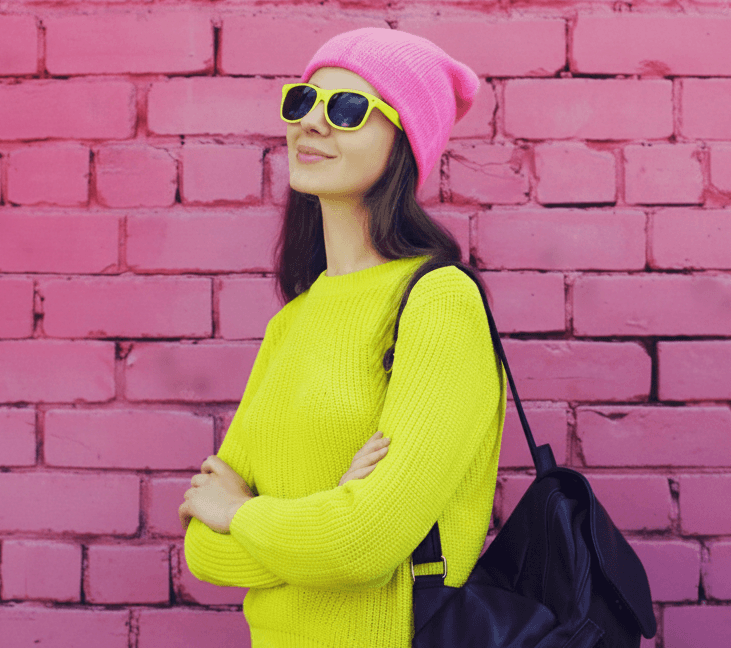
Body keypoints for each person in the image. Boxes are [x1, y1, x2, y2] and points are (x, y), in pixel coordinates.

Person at [174, 27, 506, 647]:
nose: (313, 124)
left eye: (348, 109)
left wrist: (243, 513)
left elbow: (365, 545)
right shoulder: (294, 319)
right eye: (302, 101)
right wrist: (327, 516)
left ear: (404, 143)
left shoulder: (438, 302)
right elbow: (202, 549)